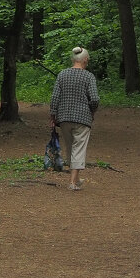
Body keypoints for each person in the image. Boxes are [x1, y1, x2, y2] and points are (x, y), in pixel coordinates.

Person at [49, 46, 100, 190]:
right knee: (79, 149)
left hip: (64, 117)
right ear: (85, 60)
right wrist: (92, 111)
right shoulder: (88, 76)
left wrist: (53, 115)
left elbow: (55, 98)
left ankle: (76, 179)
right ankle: (72, 183)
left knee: (71, 147)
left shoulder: (62, 74)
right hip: (82, 118)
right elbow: (95, 99)